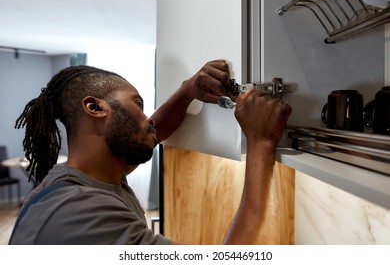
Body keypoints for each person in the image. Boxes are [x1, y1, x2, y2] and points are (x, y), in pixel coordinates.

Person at [9, 59, 291, 245]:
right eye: (138, 104)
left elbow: (153, 132)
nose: (148, 120)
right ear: (95, 108)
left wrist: (188, 91)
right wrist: (261, 142)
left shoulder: (87, 178)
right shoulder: (81, 212)